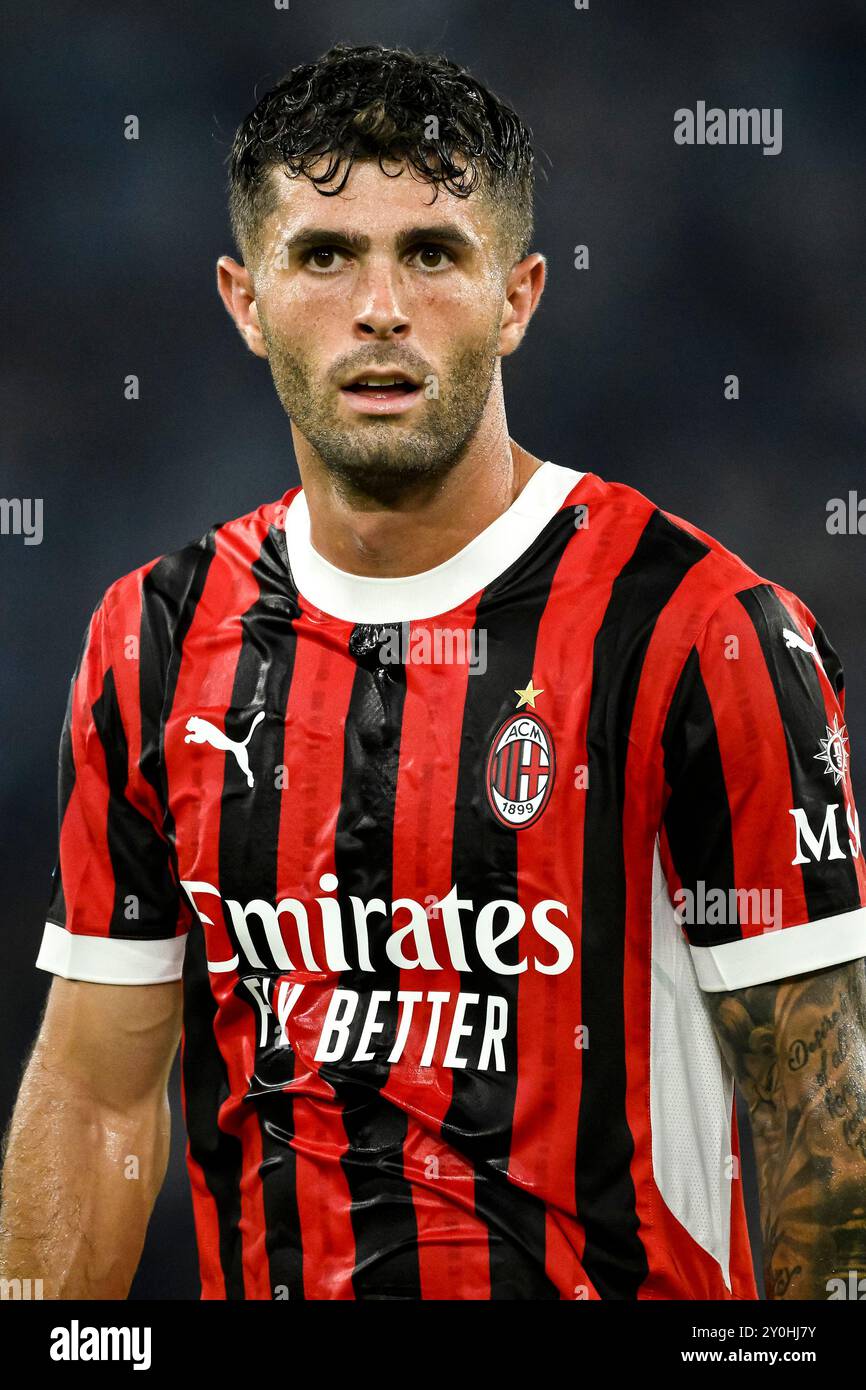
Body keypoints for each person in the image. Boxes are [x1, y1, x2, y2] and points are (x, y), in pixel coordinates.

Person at [2, 42, 865, 1302]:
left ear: (517, 295)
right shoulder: (151, 637)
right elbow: (94, 1090)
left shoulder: (702, 629)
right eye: (324, 254)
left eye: (431, 252)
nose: (379, 309)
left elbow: (820, 1129)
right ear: (243, 299)